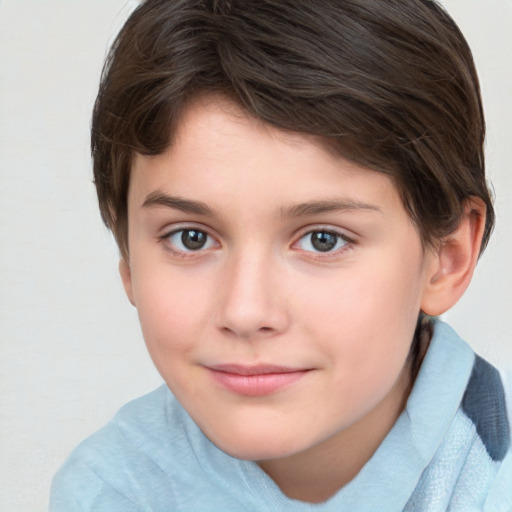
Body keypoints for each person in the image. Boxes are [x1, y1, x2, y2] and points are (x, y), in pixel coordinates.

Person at [50, 0, 512, 510]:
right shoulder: (108, 490)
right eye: (191, 238)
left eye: (323, 240)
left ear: (447, 257)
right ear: (128, 258)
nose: (246, 312)